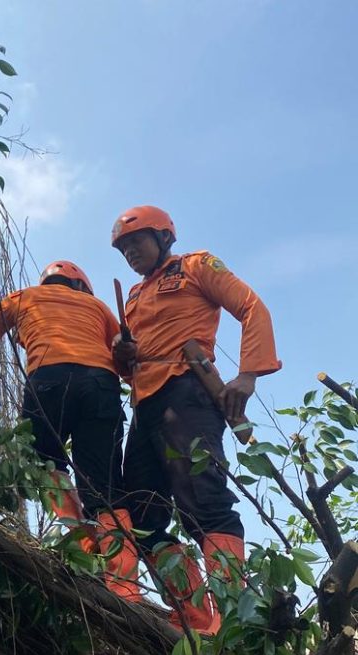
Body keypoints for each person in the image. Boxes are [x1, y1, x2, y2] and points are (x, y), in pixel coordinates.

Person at [0, 260, 142, 601]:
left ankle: (84, 542)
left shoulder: (24, 297)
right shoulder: (98, 306)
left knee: (42, 461)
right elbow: (122, 357)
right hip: (100, 387)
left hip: (49, 379)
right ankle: (126, 589)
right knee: (106, 488)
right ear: (81, 285)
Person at [110, 205, 282, 633]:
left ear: (164, 237)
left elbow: (251, 306)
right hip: (145, 404)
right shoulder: (132, 297)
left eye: (137, 242)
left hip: (187, 392)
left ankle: (234, 620)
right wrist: (122, 355)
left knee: (204, 503)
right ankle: (195, 614)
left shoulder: (195, 266)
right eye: (123, 248)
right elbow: (129, 365)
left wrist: (248, 374)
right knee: (143, 513)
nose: (130, 252)